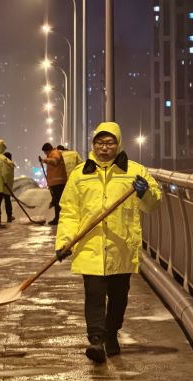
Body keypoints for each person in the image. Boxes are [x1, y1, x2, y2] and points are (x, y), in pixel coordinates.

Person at [54, 122, 161, 363]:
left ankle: (111, 333)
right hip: (90, 245)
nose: (104, 148)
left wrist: (145, 192)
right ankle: (96, 340)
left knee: (118, 296)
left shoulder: (135, 171)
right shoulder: (81, 174)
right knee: (93, 295)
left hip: (121, 245)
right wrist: (64, 241)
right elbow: (69, 211)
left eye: (109, 142)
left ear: (118, 144)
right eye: (99, 143)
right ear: (93, 145)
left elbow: (153, 204)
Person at [40, 142, 68, 225]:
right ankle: (58, 218)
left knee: (57, 202)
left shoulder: (54, 153)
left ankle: (57, 219)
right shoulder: (52, 154)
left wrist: (44, 160)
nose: (45, 154)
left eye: (45, 152)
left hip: (58, 182)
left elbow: (55, 161)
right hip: (57, 182)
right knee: (57, 202)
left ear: (48, 150)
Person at [2, 151, 16, 223]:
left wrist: (3, 181)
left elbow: (4, 173)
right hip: (8, 186)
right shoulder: (11, 165)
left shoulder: (4, 164)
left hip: (3, 185)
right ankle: (9, 216)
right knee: (7, 201)